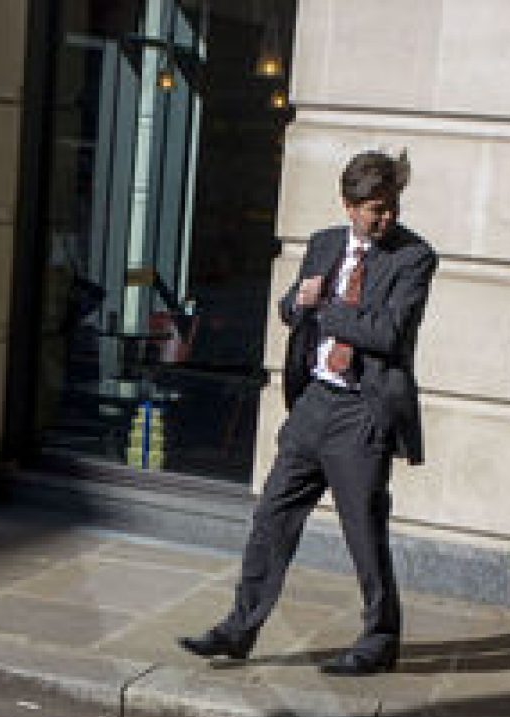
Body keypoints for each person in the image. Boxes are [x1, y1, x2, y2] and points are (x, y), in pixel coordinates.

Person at [179, 149, 437, 675]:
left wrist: (326, 308)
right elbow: (290, 310)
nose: (385, 218)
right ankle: (239, 628)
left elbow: (387, 334)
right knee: (272, 518)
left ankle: (380, 638)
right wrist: (299, 301)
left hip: (362, 412)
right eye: (373, 210)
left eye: (390, 207)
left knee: (363, 531)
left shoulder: (413, 258)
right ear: (348, 206)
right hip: (314, 404)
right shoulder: (323, 245)